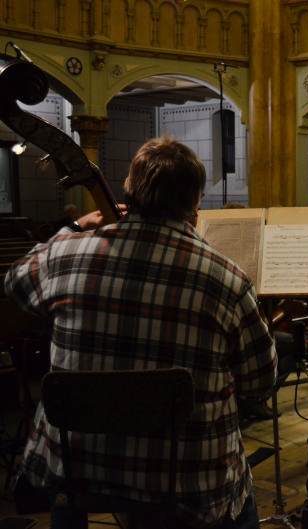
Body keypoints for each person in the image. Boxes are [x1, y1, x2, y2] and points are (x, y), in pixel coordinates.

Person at [5, 136, 278, 529]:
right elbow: (259, 383)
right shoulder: (228, 280)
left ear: (127, 191)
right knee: (240, 500)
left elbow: (14, 281)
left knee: (66, 477)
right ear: (195, 201)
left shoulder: (64, 256)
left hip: (79, 470)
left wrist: (75, 227)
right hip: (186, 483)